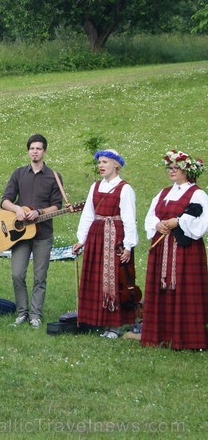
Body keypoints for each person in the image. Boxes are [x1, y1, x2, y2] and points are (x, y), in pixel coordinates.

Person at [142, 150, 207, 350]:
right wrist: (158, 224)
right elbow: (150, 215)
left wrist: (177, 221)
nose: (171, 171)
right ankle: (160, 335)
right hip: (162, 247)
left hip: (184, 250)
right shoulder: (164, 193)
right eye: (170, 168)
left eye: (176, 168)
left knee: (184, 290)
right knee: (161, 290)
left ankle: (186, 338)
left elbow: (200, 221)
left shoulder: (197, 193)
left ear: (187, 171)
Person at [72, 150, 138, 336]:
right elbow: (88, 215)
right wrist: (81, 240)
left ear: (116, 165)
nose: (101, 166)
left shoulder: (125, 189)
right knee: (97, 278)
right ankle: (98, 320)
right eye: (99, 162)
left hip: (115, 239)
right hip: (96, 238)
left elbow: (129, 218)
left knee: (115, 280)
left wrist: (128, 245)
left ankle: (116, 325)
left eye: (105, 162)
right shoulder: (95, 187)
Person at [0, 134, 63, 329]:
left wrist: (39, 212)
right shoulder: (18, 173)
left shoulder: (54, 176)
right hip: (20, 234)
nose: (35, 151)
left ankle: (35, 314)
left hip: (43, 234)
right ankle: (21, 312)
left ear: (44, 151)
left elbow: (57, 206)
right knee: (17, 274)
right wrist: (18, 209)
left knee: (39, 277)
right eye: (32, 148)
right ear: (28, 151)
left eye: (38, 148)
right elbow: (5, 200)